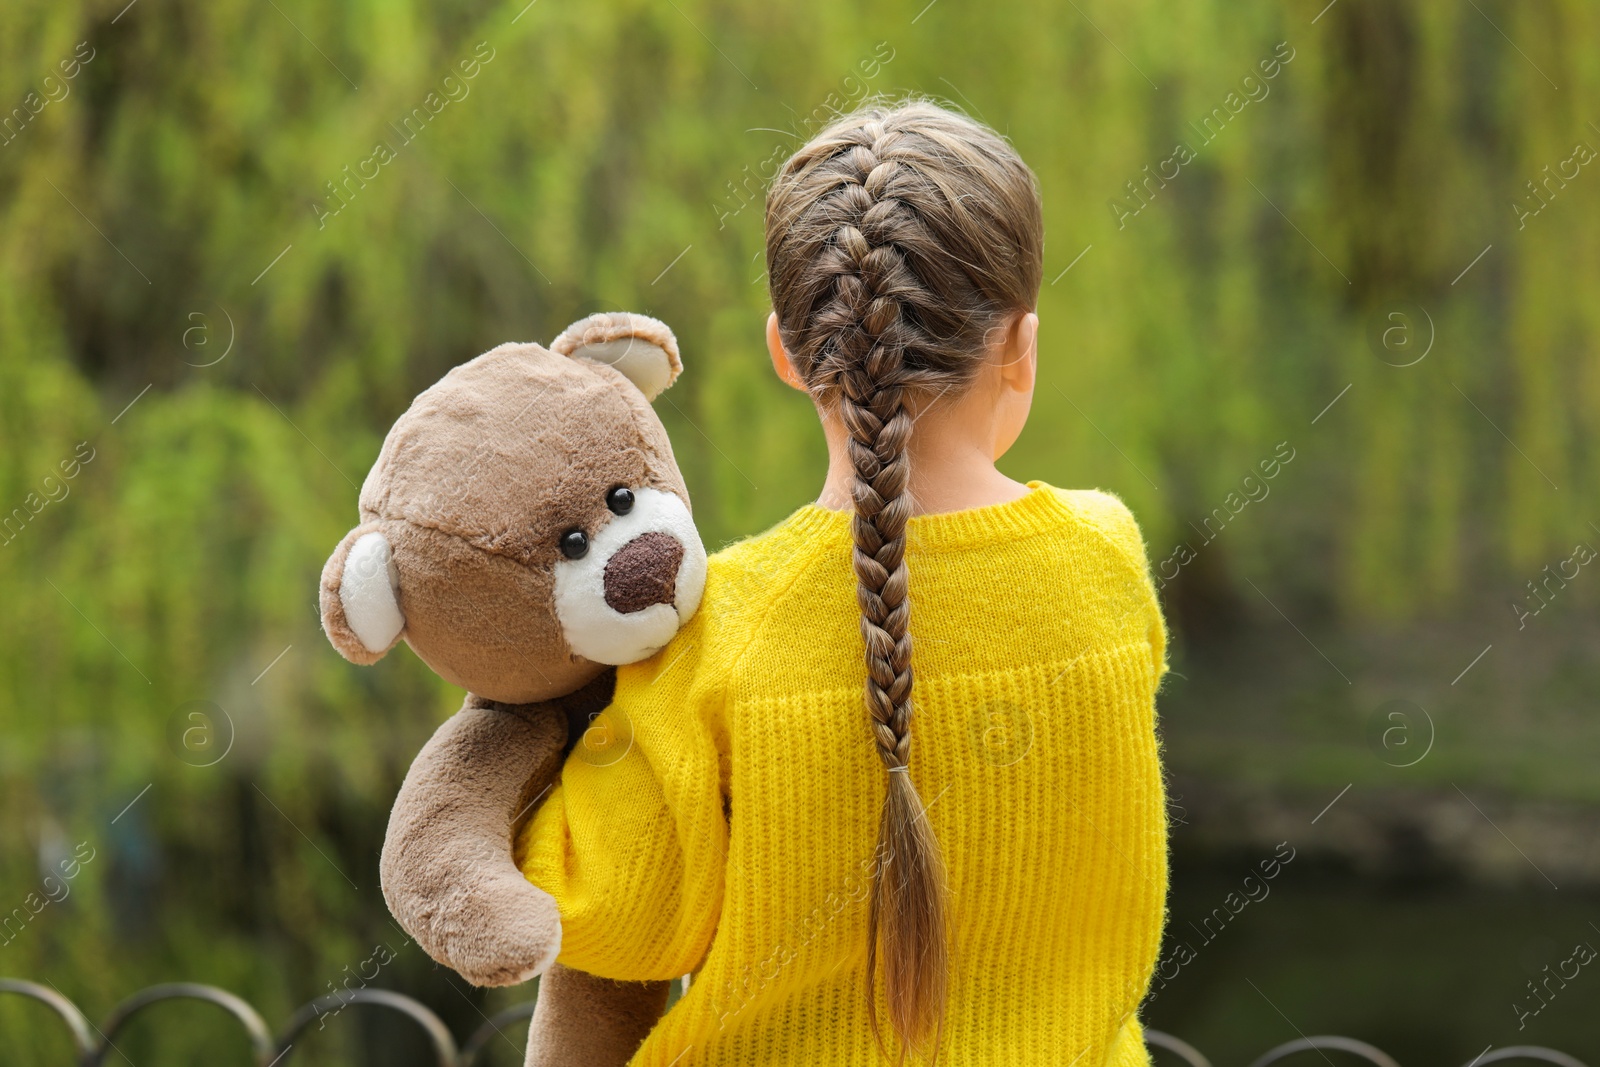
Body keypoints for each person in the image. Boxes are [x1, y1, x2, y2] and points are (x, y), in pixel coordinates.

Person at [515, 95, 1171, 1066]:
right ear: (1020, 346)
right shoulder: (1107, 558)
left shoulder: (714, 626)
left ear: (785, 350)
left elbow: (614, 922)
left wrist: (539, 740)